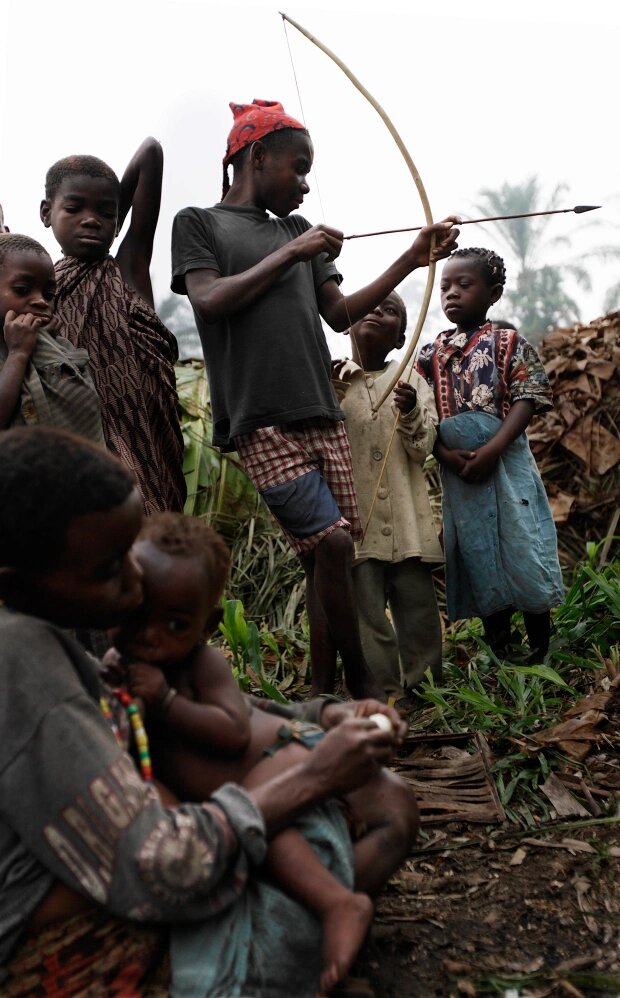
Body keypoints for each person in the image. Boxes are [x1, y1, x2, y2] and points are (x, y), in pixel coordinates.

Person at [0, 425, 407, 997]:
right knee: (357, 819)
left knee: (380, 796)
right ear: (14, 584)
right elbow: (158, 867)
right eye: (110, 567)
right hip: (72, 920)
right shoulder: (19, 660)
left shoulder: (52, 627)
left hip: (137, 856)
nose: (136, 581)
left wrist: (317, 715)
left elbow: (204, 707)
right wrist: (316, 774)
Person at [171, 98, 459, 700]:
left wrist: (412, 256)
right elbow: (210, 300)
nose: (305, 183)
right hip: (258, 419)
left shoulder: (299, 232)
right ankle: (363, 687)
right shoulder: (200, 223)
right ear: (257, 156)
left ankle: (322, 692)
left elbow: (340, 315)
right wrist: (291, 255)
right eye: (298, 167)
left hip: (320, 413)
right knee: (330, 543)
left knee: (324, 560)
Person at [107, 513, 417, 993]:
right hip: (244, 805)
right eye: (136, 614)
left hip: (276, 764)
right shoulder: (114, 671)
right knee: (271, 837)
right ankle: (324, 919)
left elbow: (234, 729)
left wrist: (167, 703)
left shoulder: (199, 665)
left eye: (174, 623)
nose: (149, 634)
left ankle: (338, 902)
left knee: (389, 812)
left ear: (206, 626)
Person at [416, 247, 564, 658]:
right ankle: (501, 643)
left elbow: (528, 397)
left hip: (505, 463)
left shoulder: (506, 342)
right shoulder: (429, 355)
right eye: (445, 286)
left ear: (493, 293)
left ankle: (539, 641)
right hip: (459, 473)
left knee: (521, 540)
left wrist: (493, 449)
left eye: (465, 285)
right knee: (477, 549)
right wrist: (446, 456)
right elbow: (422, 416)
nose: (451, 294)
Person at [40, 137, 185, 514]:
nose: (92, 219)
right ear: (46, 213)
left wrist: (115, 215)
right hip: (82, 444)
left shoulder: (129, 267)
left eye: (105, 212)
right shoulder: (39, 291)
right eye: (75, 208)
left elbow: (151, 151)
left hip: (149, 442)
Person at [333, 291, 444, 708]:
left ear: (402, 337)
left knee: (417, 610)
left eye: (393, 310)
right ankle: (384, 693)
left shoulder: (411, 379)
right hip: (357, 520)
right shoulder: (334, 379)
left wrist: (413, 410)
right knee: (367, 616)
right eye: (372, 305)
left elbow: (424, 447)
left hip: (409, 521)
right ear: (346, 324)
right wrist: (334, 394)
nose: (379, 311)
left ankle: (425, 690)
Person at [0, 233, 103, 442]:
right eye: (23, 290)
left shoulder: (60, 347)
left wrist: (45, 345)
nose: (40, 301)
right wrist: (18, 353)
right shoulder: (17, 349)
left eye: (49, 295)